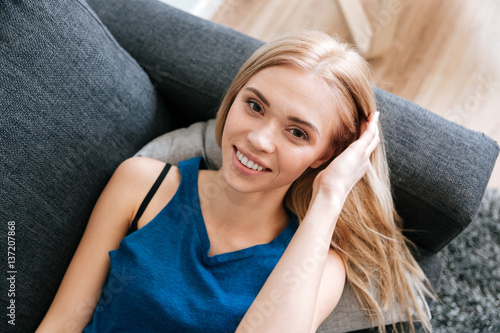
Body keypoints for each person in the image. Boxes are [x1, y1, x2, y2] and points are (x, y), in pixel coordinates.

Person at [37, 31, 432, 333]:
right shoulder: (141, 185)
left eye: (298, 133)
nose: (259, 140)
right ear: (235, 93)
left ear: (327, 155)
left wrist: (331, 194)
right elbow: (63, 324)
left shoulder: (318, 265)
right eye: (255, 106)